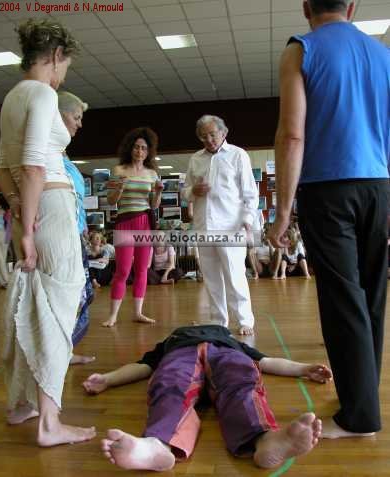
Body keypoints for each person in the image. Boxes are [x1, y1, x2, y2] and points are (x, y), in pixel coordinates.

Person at [267, 0, 390, 439]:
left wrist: (282, 213)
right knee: (371, 297)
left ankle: (359, 418)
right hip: (379, 187)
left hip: (328, 190)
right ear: (352, 6)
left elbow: (292, 133)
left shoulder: (300, 49)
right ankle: (362, 399)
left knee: (343, 301)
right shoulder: (383, 53)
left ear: (306, 8)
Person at [0, 18, 95, 446]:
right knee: (58, 312)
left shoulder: (11, 98)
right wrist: (30, 230)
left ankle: (22, 404)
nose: (64, 74)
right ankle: (50, 425)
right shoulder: (42, 93)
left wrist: (19, 212)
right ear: (56, 56)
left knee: (32, 307)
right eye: (65, 65)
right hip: (50, 208)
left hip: (30, 207)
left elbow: (4, 169)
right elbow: (36, 164)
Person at [82, 324, 331, 471]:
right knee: (170, 383)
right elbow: (143, 366)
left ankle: (264, 439)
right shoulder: (172, 340)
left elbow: (267, 362)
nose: (197, 325)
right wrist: (108, 379)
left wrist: (302, 368)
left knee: (241, 382)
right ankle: (157, 446)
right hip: (181, 353)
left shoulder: (231, 341)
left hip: (225, 354)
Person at [182, 115, 258, 336]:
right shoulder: (196, 159)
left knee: (235, 275)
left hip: (231, 226)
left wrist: (247, 220)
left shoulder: (238, 155)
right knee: (211, 277)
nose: (209, 139)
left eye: (212, 134)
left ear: (223, 133)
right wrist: (192, 191)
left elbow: (250, 193)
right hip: (203, 226)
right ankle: (218, 321)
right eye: (203, 136)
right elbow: (185, 189)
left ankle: (245, 320)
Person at [102, 127, 163, 327]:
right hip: (125, 222)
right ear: (130, 148)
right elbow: (111, 201)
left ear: (148, 151)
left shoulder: (152, 173)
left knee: (142, 269)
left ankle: (138, 312)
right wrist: (119, 188)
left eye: (144, 148)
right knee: (123, 270)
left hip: (145, 223)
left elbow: (154, 205)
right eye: (136, 147)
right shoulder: (118, 170)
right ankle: (113, 315)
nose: (139, 151)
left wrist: (159, 193)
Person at [58, 90, 95, 366]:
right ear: (59, 115)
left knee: (83, 295)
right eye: (76, 117)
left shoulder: (64, 154)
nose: (80, 124)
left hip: (76, 235)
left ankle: (65, 350)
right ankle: (59, 352)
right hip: (61, 238)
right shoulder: (49, 154)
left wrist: (82, 229)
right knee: (70, 296)